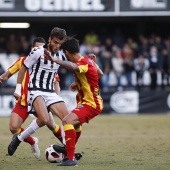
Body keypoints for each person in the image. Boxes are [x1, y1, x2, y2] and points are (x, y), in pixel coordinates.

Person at [7, 28, 82, 162]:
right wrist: (18, 89)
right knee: (44, 119)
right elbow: (23, 67)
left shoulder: (62, 54)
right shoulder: (37, 51)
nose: (57, 45)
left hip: (50, 92)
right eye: (55, 42)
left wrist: (89, 61)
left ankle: (68, 152)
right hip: (35, 90)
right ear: (49, 39)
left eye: (60, 43)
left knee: (68, 119)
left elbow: (76, 64)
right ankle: (19, 139)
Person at [44, 37, 104, 166]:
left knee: (67, 120)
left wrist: (55, 60)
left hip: (91, 104)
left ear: (67, 52)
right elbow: (100, 73)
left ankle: (70, 158)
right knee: (75, 125)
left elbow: (73, 66)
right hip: (90, 102)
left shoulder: (84, 63)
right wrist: (79, 84)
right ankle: (68, 150)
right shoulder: (89, 61)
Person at [0, 37, 46, 159]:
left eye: (42, 48)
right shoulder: (22, 61)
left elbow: (56, 81)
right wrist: (2, 77)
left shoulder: (47, 63)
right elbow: (7, 74)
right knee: (13, 127)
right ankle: (33, 141)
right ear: (32, 49)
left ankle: (67, 151)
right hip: (23, 102)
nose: (39, 50)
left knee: (52, 125)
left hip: (39, 101)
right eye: (37, 48)